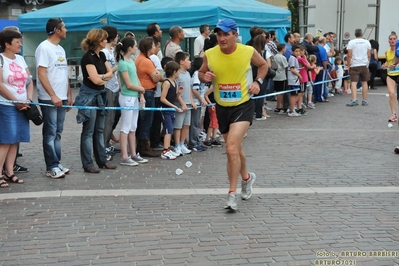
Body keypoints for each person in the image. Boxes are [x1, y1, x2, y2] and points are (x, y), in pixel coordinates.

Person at [198, 18, 267, 211]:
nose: (221, 38)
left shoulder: (247, 51)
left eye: (226, 34)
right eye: (219, 34)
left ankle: (231, 194)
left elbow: (263, 66)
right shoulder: (210, 54)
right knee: (234, 149)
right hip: (222, 107)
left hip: (243, 105)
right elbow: (201, 73)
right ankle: (247, 177)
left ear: (235, 35)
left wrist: (258, 83)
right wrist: (205, 76)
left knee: (230, 148)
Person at [74, 28, 117, 173]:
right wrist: (103, 77)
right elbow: (95, 79)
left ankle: (102, 160)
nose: (106, 41)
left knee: (99, 129)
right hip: (89, 96)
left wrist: (102, 77)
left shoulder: (102, 56)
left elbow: (109, 73)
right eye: (104, 39)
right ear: (99, 41)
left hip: (100, 94)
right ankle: (87, 163)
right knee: (88, 130)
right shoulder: (88, 58)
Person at [35, 18, 71, 179]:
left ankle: (57, 162)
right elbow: (41, 73)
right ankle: (51, 166)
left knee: (58, 132)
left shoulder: (61, 49)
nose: (66, 30)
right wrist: (53, 95)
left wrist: (68, 94)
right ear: (57, 30)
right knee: (50, 133)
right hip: (50, 98)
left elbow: (65, 73)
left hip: (61, 97)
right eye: (64, 28)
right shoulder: (44, 47)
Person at [0, 29, 33, 186]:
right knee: (6, 140)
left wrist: (29, 99)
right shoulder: (1, 59)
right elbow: (0, 85)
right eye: (17, 41)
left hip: (23, 105)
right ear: (7, 44)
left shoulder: (20, 59)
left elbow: (29, 81)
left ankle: (9, 172)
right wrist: (15, 101)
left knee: (15, 140)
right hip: (6, 106)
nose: (21, 44)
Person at [115, 37, 148, 166]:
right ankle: (124, 156)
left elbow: (136, 79)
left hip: (134, 96)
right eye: (135, 46)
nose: (136, 48)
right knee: (126, 127)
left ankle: (133, 154)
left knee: (133, 127)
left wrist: (141, 93)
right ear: (129, 48)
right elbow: (128, 84)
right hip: (127, 97)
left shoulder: (131, 61)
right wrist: (141, 89)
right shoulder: (123, 63)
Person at [135, 37, 162, 157]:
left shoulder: (140, 58)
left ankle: (142, 144)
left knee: (143, 119)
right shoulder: (146, 61)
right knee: (146, 120)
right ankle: (144, 146)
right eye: (152, 45)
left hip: (145, 91)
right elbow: (156, 77)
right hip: (147, 91)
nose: (154, 47)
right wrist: (159, 75)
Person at [100, 26, 120, 156]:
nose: (118, 37)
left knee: (113, 117)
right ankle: (103, 145)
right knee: (107, 118)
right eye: (116, 35)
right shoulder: (103, 52)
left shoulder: (112, 50)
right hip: (107, 87)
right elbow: (105, 72)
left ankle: (107, 142)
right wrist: (117, 66)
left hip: (115, 87)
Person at [160, 61, 182, 160]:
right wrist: (174, 106)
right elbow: (163, 98)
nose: (179, 73)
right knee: (168, 129)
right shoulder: (167, 83)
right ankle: (165, 150)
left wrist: (178, 94)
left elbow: (173, 96)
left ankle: (168, 148)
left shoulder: (175, 82)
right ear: (174, 72)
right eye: (178, 71)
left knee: (170, 129)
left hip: (171, 109)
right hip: (166, 109)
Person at [173, 51, 193, 156]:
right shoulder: (177, 75)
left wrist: (191, 101)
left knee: (186, 125)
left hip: (188, 104)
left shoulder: (188, 74)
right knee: (178, 126)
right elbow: (177, 92)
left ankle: (182, 143)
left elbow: (189, 89)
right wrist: (182, 103)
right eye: (188, 60)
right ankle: (176, 145)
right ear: (181, 62)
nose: (190, 62)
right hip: (180, 104)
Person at [346, 29, 371, 107]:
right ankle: (364, 100)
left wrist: (349, 65)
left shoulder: (351, 42)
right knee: (364, 82)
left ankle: (354, 99)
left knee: (354, 82)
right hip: (364, 64)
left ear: (355, 34)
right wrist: (367, 63)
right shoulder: (367, 42)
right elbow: (369, 55)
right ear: (362, 34)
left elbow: (349, 55)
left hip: (355, 65)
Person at [189, 57, 208, 151]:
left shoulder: (198, 74)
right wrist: (201, 99)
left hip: (198, 102)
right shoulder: (197, 75)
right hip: (196, 103)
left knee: (196, 122)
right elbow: (195, 90)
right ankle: (193, 143)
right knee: (195, 123)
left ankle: (196, 141)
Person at [382, 33, 399, 122]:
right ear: (389, 41)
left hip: (398, 74)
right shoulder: (387, 51)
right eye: (391, 39)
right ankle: (393, 114)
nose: (392, 40)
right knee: (391, 94)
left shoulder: (398, 50)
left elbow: (396, 61)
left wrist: (395, 65)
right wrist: (384, 65)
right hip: (390, 75)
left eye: (394, 39)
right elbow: (387, 61)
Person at [287, 45, 302, 117]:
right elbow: (292, 69)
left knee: (297, 94)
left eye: (299, 51)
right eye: (296, 51)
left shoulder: (295, 58)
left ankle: (293, 108)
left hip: (295, 79)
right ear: (292, 51)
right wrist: (298, 75)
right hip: (293, 79)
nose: (298, 53)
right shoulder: (292, 58)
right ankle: (291, 110)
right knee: (294, 95)